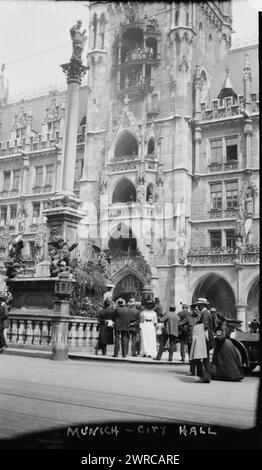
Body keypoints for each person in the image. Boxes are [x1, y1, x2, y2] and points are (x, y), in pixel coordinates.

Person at [211, 315, 244, 381]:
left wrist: (216, 337)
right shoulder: (226, 324)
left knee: (222, 361)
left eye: (217, 319)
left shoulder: (222, 326)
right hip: (228, 343)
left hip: (223, 345)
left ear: (219, 319)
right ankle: (235, 375)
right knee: (229, 361)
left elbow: (222, 336)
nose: (216, 320)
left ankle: (226, 375)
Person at [195, 297, 215, 383]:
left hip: (205, 338)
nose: (198, 307)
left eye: (199, 305)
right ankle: (205, 376)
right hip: (204, 337)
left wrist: (197, 329)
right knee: (204, 357)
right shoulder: (204, 313)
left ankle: (206, 376)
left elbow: (205, 325)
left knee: (204, 358)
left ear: (202, 305)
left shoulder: (205, 313)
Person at [186, 305, 202, 376]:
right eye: (195, 309)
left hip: (198, 340)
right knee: (191, 355)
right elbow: (181, 324)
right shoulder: (188, 318)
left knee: (198, 356)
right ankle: (192, 371)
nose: (197, 310)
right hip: (190, 339)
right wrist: (186, 331)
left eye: (198, 309)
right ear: (192, 310)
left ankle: (199, 371)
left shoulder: (200, 318)